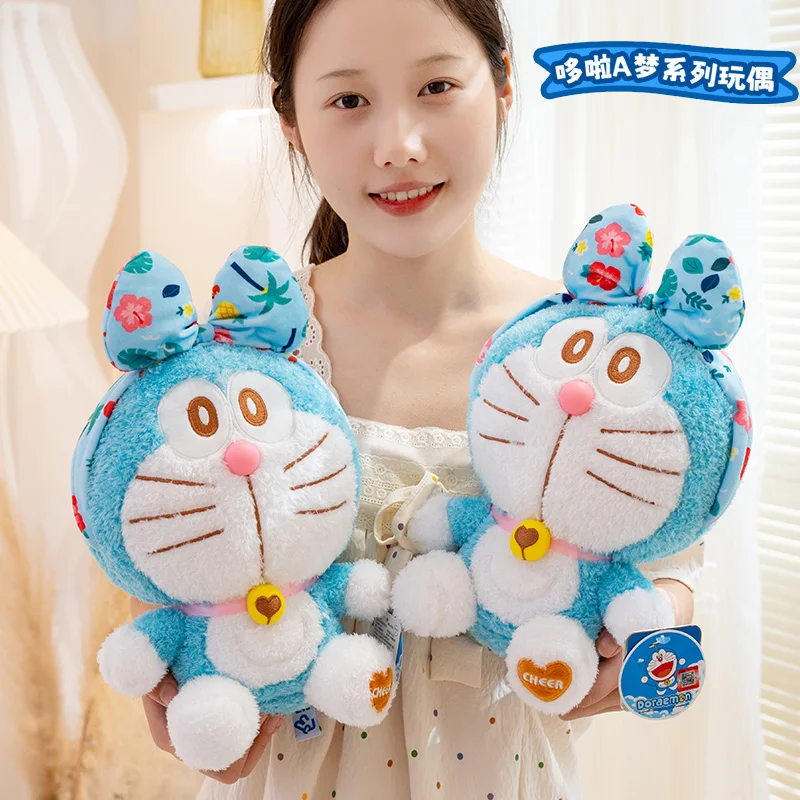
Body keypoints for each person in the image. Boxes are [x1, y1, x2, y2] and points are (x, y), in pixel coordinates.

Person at [136, 0, 702, 796]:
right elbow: (168, 574)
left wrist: (655, 621)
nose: (398, 145)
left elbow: (671, 544)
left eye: (436, 86)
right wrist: (174, 699)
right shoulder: (240, 364)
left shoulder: (583, 348)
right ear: (291, 120)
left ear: (502, 87)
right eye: (349, 99)